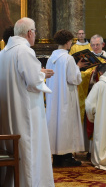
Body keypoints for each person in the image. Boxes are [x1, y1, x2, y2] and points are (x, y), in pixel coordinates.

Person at [0, 17, 55, 186]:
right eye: (35, 32)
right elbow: (32, 80)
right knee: (29, 149)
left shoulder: (3, 52)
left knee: (15, 148)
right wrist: (42, 75)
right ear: (30, 33)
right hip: (26, 111)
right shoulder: (24, 51)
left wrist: (37, 73)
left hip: (9, 111)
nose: (35, 36)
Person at [46, 30, 86, 167]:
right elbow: (73, 79)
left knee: (56, 125)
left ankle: (57, 157)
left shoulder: (51, 58)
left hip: (53, 97)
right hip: (65, 97)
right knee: (66, 125)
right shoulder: (68, 58)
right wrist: (78, 67)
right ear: (68, 42)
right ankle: (67, 157)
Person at [78, 34, 106, 154]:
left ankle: (100, 149)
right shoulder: (86, 58)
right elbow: (80, 75)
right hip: (89, 91)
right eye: (93, 45)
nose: (95, 47)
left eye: (98, 44)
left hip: (103, 94)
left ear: (103, 45)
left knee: (101, 120)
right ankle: (88, 149)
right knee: (89, 119)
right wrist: (91, 73)